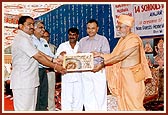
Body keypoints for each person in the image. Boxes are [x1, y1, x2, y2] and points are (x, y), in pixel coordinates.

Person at [92, 14, 152, 111]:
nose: (118, 29)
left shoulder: (134, 40)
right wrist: (99, 54)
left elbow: (120, 57)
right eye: (118, 27)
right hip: (123, 76)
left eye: (120, 27)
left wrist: (102, 64)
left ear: (128, 27)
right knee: (123, 103)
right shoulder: (122, 40)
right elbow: (114, 55)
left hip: (133, 76)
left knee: (135, 105)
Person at [10, 16, 66, 111]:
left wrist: (53, 60)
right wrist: (55, 66)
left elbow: (39, 52)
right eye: (29, 24)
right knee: (24, 110)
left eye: (32, 24)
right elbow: (38, 57)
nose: (32, 26)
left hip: (31, 81)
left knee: (31, 109)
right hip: (23, 82)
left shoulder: (28, 39)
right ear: (20, 26)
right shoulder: (21, 39)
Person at [77, 19, 110, 111]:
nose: (90, 30)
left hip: (98, 71)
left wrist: (100, 66)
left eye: (93, 28)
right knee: (87, 96)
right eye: (88, 28)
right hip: (85, 72)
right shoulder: (82, 41)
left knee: (100, 96)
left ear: (97, 29)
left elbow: (106, 56)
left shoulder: (103, 40)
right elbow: (78, 55)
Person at [32, 20, 57, 111]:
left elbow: (50, 56)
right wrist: (55, 64)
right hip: (34, 71)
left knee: (44, 95)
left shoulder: (43, 41)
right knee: (36, 97)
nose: (43, 30)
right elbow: (40, 57)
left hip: (43, 72)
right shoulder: (30, 40)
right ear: (33, 28)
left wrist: (60, 59)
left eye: (43, 27)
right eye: (40, 27)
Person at [55, 27, 83, 111]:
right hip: (66, 76)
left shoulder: (81, 45)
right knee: (66, 100)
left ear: (77, 36)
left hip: (79, 77)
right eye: (70, 34)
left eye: (74, 35)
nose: (72, 36)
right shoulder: (63, 46)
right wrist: (60, 55)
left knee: (78, 100)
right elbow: (56, 59)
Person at [43, 30, 57, 111]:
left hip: (50, 73)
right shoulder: (36, 46)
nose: (45, 38)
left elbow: (56, 61)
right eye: (43, 36)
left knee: (50, 94)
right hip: (40, 73)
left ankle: (52, 110)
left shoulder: (53, 48)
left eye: (47, 36)